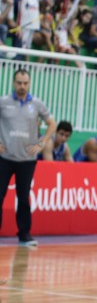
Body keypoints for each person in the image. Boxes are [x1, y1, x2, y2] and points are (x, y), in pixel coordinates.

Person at [0, 69, 56, 247]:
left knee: (23, 198)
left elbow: (52, 124)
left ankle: (24, 235)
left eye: (25, 83)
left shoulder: (37, 104)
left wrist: (41, 144)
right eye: (19, 83)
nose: (22, 86)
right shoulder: (3, 102)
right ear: (13, 82)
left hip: (27, 161)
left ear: (29, 83)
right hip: (4, 158)